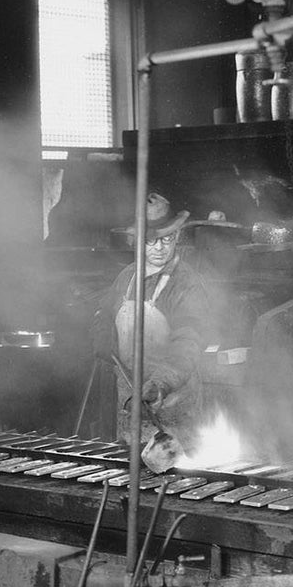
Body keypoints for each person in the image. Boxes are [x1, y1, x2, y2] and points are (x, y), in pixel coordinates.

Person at [94, 190, 214, 452]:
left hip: (174, 407)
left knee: (176, 480)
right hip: (130, 403)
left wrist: (161, 383)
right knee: (131, 477)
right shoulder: (127, 278)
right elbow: (105, 315)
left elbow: (189, 340)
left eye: (167, 239)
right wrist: (102, 333)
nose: (160, 248)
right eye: (150, 241)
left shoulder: (185, 283)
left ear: (178, 237)